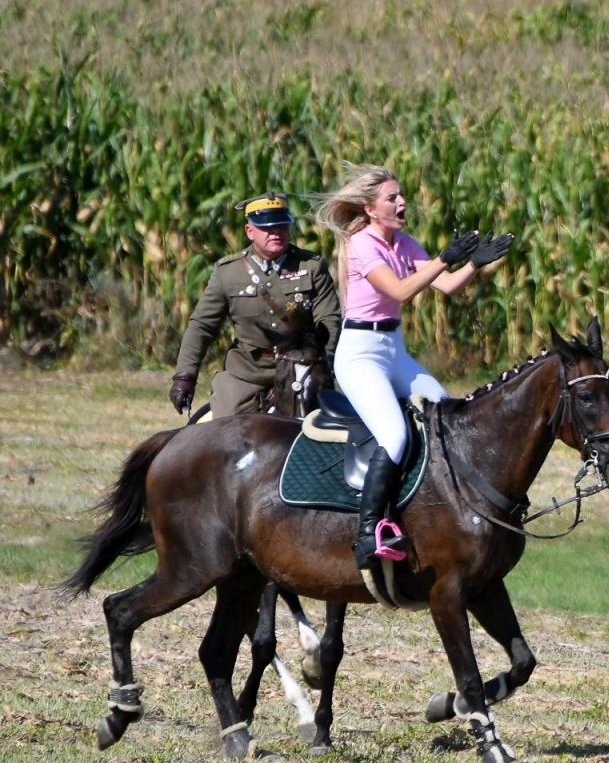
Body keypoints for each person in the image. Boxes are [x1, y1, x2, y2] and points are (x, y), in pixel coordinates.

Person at [313, 164, 514, 569]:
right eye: (393, 197)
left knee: (444, 413)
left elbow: (447, 286)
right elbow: (401, 291)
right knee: (394, 433)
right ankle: (369, 533)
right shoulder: (363, 245)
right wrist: (444, 258)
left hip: (393, 348)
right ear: (371, 209)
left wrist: (474, 263)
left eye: (401, 195)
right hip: (360, 353)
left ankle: (432, 509)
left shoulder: (404, 242)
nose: (402, 202)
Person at [170, 193, 342, 418]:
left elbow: (329, 320)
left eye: (282, 226)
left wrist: (323, 363)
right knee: (225, 432)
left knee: (332, 428)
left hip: (301, 368)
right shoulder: (228, 273)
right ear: (249, 231)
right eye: (267, 228)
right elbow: (202, 326)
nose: (276, 233)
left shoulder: (311, 266)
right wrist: (185, 377)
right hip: (248, 372)